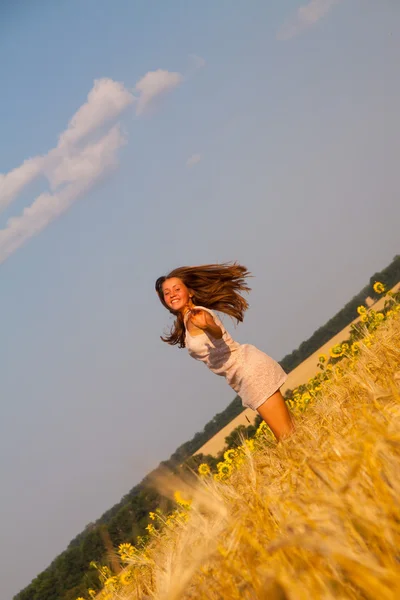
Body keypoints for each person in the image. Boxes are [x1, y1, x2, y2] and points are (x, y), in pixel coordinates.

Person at [155, 263, 293, 441]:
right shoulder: (187, 321)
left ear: (190, 292)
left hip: (250, 371)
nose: (172, 294)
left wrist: (208, 326)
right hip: (242, 376)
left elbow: (215, 331)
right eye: (167, 292)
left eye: (176, 289)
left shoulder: (198, 315)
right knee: (291, 434)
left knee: (287, 438)